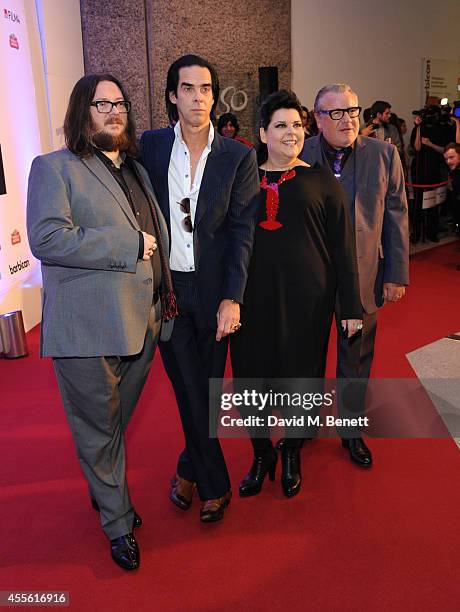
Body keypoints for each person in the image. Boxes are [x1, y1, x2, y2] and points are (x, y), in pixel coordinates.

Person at [26, 74, 175, 571]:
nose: (114, 111)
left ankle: (102, 483)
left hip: (145, 321)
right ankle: (117, 520)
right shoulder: (53, 168)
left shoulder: (135, 169)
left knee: (110, 425)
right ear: (81, 111)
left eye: (121, 103)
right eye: (101, 103)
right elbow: (47, 239)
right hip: (86, 327)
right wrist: (126, 247)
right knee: (97, 429)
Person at [140, 55, 259, 522]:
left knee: (203, 392)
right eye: (187, 88)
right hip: (167, 292)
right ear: (173, 95)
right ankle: (215, 483)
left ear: (215, 94)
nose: (197, 97)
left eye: (206, 88)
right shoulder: (149, 147)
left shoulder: (238, 155)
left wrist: (233, 297)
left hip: (212, 296)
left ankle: (191, 469)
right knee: (188, 388)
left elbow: (242, 232)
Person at [230, 90, 362, 499]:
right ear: (263, 133)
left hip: (309, 304)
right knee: (250, 378)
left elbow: (343, 249)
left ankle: (290, 452)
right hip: (251, 303)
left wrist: (351, 307)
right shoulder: (244, 179)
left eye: (297, 125)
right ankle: (260, 452)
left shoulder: (321, 179)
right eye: (281, 125)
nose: (292, 133)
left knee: (301, 379)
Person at [299, 83, 409, 467]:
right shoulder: (298, 151)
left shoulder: (384, 154)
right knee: (307, 357)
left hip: (362, 275)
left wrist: (396, 274)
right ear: (316, 119)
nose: (347, 120)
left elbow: (396, 216)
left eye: (352, 111)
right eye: (336, 113)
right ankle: (304, 425)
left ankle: (351, 431)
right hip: (309, 277)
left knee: (356, 359)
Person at [410, 107, 454, 243]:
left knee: (433, 203)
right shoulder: (419, 128)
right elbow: (416, 147)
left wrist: (430, 144)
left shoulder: (440, 129)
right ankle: (416, 233)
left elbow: (443, 150)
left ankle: (431, 232)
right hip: (419, 170)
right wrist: (417, 127)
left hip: (434, 169)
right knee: (418, 203)